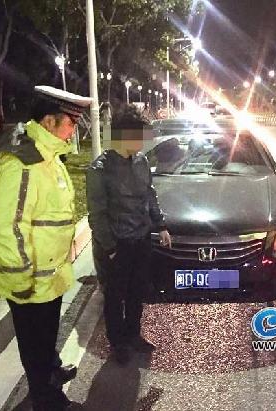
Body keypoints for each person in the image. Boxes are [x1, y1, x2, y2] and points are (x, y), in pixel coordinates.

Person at [0, 85, 92, 410]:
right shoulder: (23, 164)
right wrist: (20, 279)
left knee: (46, 335)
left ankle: (50, 368)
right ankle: (45, 397)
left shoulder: (47, 155)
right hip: (29, 279)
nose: (74, 130)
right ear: (50, 121)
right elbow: (8, 228)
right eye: (71, 122)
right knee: (34, 343)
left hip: (48, 273)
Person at [86, 119, 171, 366]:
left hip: (141, 238)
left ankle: (133, 334)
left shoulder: (141, 161)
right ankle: (118, 342)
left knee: (137, 291)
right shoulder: (99, 169)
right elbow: (97, 214)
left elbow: (150, 194)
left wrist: (160, 225)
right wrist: (110, 247)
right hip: (117, 243)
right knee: (115, 296)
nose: (144, 141)